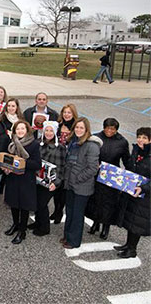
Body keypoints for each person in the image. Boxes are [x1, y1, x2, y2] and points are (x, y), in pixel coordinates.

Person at [86, 118, 130, 239]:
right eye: (107, 128)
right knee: (95, 200)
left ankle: (106, 227)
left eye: (112, 129)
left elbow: (126, 160)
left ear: (116, 130)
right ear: (103, 127)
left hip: (112, 177)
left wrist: (129, 177)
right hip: (97, 173)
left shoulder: (122, 142)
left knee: (109, 203)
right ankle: (95, 223)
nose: (109, 131)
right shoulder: (96, 138)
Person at [62, 118, 102, 249]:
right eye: (77, 127)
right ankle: (67, 235)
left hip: (81, 186)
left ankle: (74, 240)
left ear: (87, 130)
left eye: (81, 128)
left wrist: (78, 178)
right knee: (69, 211)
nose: (78, 130)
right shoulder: (74, 142)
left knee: (77, 214)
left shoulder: (92, 146)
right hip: (70, 184)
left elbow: (92, 168)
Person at [2, 121, 42, 244]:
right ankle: (15, 224)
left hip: (26, 179)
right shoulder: (12, 143)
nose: (20, 131)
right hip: (13, 178)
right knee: (13, 203)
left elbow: (37, 164)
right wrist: (6, 166)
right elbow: (7, 159)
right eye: (17, 129)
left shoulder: (34, 144)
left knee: (24, 206)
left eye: (22, 129)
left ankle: (22, 231)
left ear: (27, 130)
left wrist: (21, 162)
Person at [115, 127, 150, 258]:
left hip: (144, 196)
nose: (141, 140)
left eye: (144, 138)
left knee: (137, 223)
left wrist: (144, 188)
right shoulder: (138, 151)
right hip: (132, 190)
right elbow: (130, 167)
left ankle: (132, 250)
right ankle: (128, 245)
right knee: (130, 220)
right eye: (139, 137)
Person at [29, 121, 66, 236]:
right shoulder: (37, 143)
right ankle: (38, 222)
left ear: (55, 132)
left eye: (51, 131)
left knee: (42, 203)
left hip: (50, 181)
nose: (49, 133)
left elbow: (62, 167)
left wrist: (56, 183)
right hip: (37, 179)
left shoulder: (59, 147)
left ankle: (44, 228)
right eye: (47, 130)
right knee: (35, 201)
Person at [51, 103, 79, 222]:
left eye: (69, 112)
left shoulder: (76, 127)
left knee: (63, 189)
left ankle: (59, 212)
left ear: (73, 114)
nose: (66, 115)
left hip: (68, 161)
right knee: (56, 187)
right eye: (65, 112)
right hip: (57, 159)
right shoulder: (58, 125)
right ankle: (55, 210)